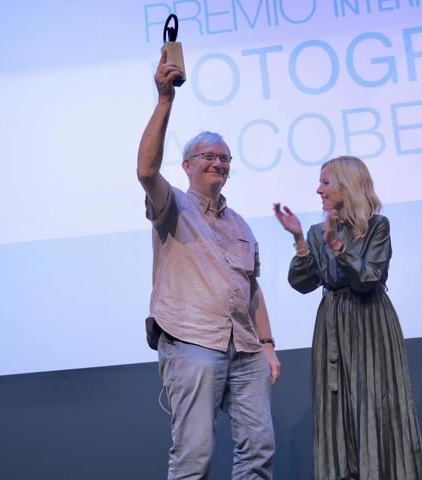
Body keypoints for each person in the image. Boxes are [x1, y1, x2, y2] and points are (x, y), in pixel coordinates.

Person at [137, 48, 281, 480]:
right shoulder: (172, 205)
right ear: (187, 165)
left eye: (224, 158)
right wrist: (165, 102)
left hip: (247, 349)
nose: (218, 162)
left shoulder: (240, 224)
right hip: (192, 341)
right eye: (208, 156)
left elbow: (252, 289)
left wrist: (269, 345)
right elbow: (145, 171)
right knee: (194, 454)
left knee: (258, 450)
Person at [273, 156, 422, 480]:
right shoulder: (317, 232)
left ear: (347, 185)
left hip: (370, 323)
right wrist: (301, 240)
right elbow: (302, 283)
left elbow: (369, 278)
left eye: (325, 182)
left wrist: (339, 249)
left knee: (374, 403)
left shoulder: (377, 226)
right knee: (336, 410)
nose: (319, 189)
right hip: (332, 328)